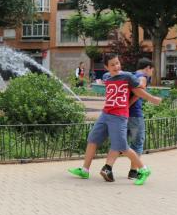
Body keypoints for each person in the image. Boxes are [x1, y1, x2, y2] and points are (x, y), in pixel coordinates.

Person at [68, 53, 162, 185]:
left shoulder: (127, 76)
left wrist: (152, 99)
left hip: (119, 116)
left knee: (122, 146)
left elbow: (138, 91)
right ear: (106, 67)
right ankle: (85, 170)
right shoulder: (106, 77)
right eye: (112, 64)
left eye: (117, 63)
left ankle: (143, 169)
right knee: (92, 139)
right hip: (105, 114)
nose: (116, 66)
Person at [126, 58, 155, 179]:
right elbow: (140, 91)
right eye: (152, 70)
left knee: (120, 143)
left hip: (123, 114)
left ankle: (108, 168)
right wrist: (129, 105)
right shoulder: (143, 76)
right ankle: (133, 171)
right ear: (148, 68)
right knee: (137, 143)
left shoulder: (131, 75)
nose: (152, 73)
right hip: (135, 115)